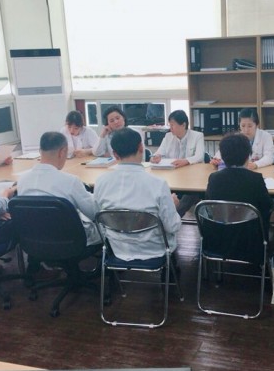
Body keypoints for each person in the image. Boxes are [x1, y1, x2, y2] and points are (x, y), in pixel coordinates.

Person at [93, 127, 181, 261]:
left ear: (115, 154)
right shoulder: (158, 184)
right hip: (155, 248)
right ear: (141, 147)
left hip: (118, 248)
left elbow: (98, 217)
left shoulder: (101, 182)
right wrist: (173, 205)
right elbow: (172, 226)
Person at [17, 131, 101, 248]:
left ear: (40, 151)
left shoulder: (22, 180)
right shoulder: (70, 181)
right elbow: (93, 213)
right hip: (70, 242)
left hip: (34, 241)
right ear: (62, 152)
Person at [206, 133, 274, 229]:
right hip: (250, 233)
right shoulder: (256, 178)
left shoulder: (214, 178)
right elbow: (267, 206)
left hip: (220, 232)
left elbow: (209, 205)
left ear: (222, 156)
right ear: (248, 156)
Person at [150, 110, 205, 216]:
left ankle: (173, 216)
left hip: (192, 178)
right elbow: (158, 153)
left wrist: (186, 161)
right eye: (169, 125)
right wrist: (155, 157)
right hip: (172, 177)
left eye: (172, 125)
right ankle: (166, 217)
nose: (170, 128)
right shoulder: (168, 137)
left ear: (183, 124)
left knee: (191, 195)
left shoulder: (197, 136)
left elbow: (200, 156)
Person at [210, 108, 274, 169]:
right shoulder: (235, 137)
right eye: (243, 126)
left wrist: (256, 164)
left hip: (260, 171)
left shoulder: (265, 136)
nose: (246, 130)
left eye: (250, 126)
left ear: (257, 125)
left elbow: (270, 157)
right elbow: (221, 153)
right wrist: (216, 160)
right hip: (239, 172)